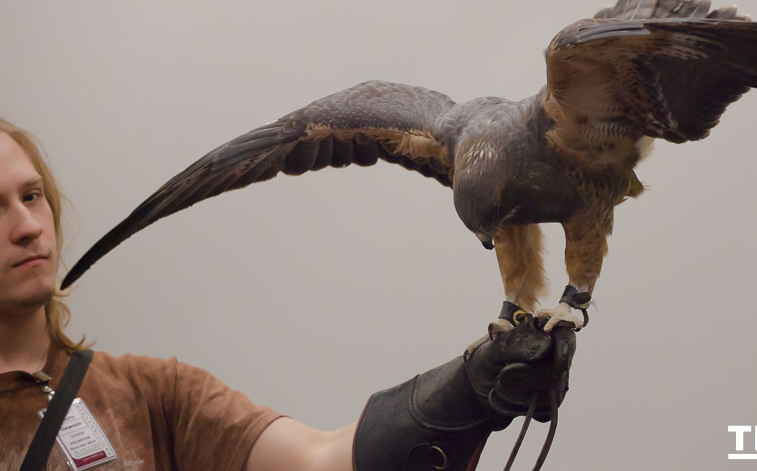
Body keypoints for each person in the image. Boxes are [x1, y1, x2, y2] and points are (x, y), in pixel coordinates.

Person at [0, 119, 575, 470]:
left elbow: (321, 463)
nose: (27, 225)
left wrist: (472, 388)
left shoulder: (151, 394)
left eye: (33, 196)